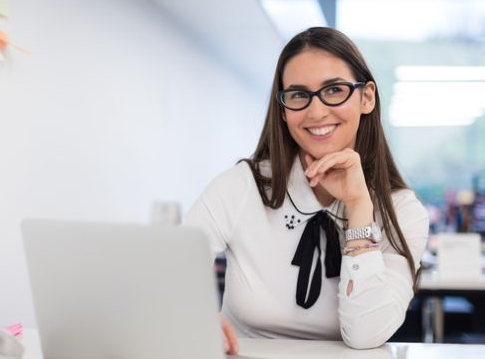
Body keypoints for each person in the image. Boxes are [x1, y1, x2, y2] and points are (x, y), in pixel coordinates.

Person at [182, 27, 429, 352]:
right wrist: (195, 317)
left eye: (334, 90)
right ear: (283, 110)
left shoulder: (403, 211)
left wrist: (358, 206)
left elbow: (366, 334)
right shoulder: (243, 185)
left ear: (366, 97)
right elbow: (167, 275)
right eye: (299, 95)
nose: (316, 112)